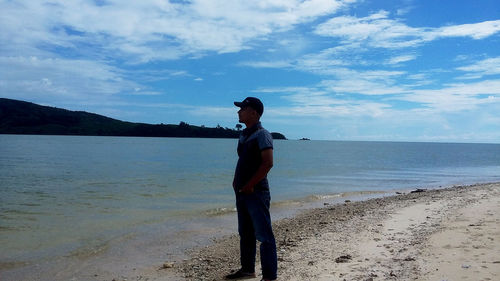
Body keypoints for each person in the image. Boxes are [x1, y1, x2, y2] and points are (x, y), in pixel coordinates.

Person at [226, 97, 277, 281]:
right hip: (242, 191)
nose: (238, 112)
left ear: (253, 112)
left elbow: (268, 163)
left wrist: (251, 185)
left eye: (242, 109)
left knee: (264, 235)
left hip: (256, 192)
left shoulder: (263, 134)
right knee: (245, 233)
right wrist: (236, 180)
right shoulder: (244, 134)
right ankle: (248, 270)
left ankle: (270, 276)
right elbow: (243, 161)